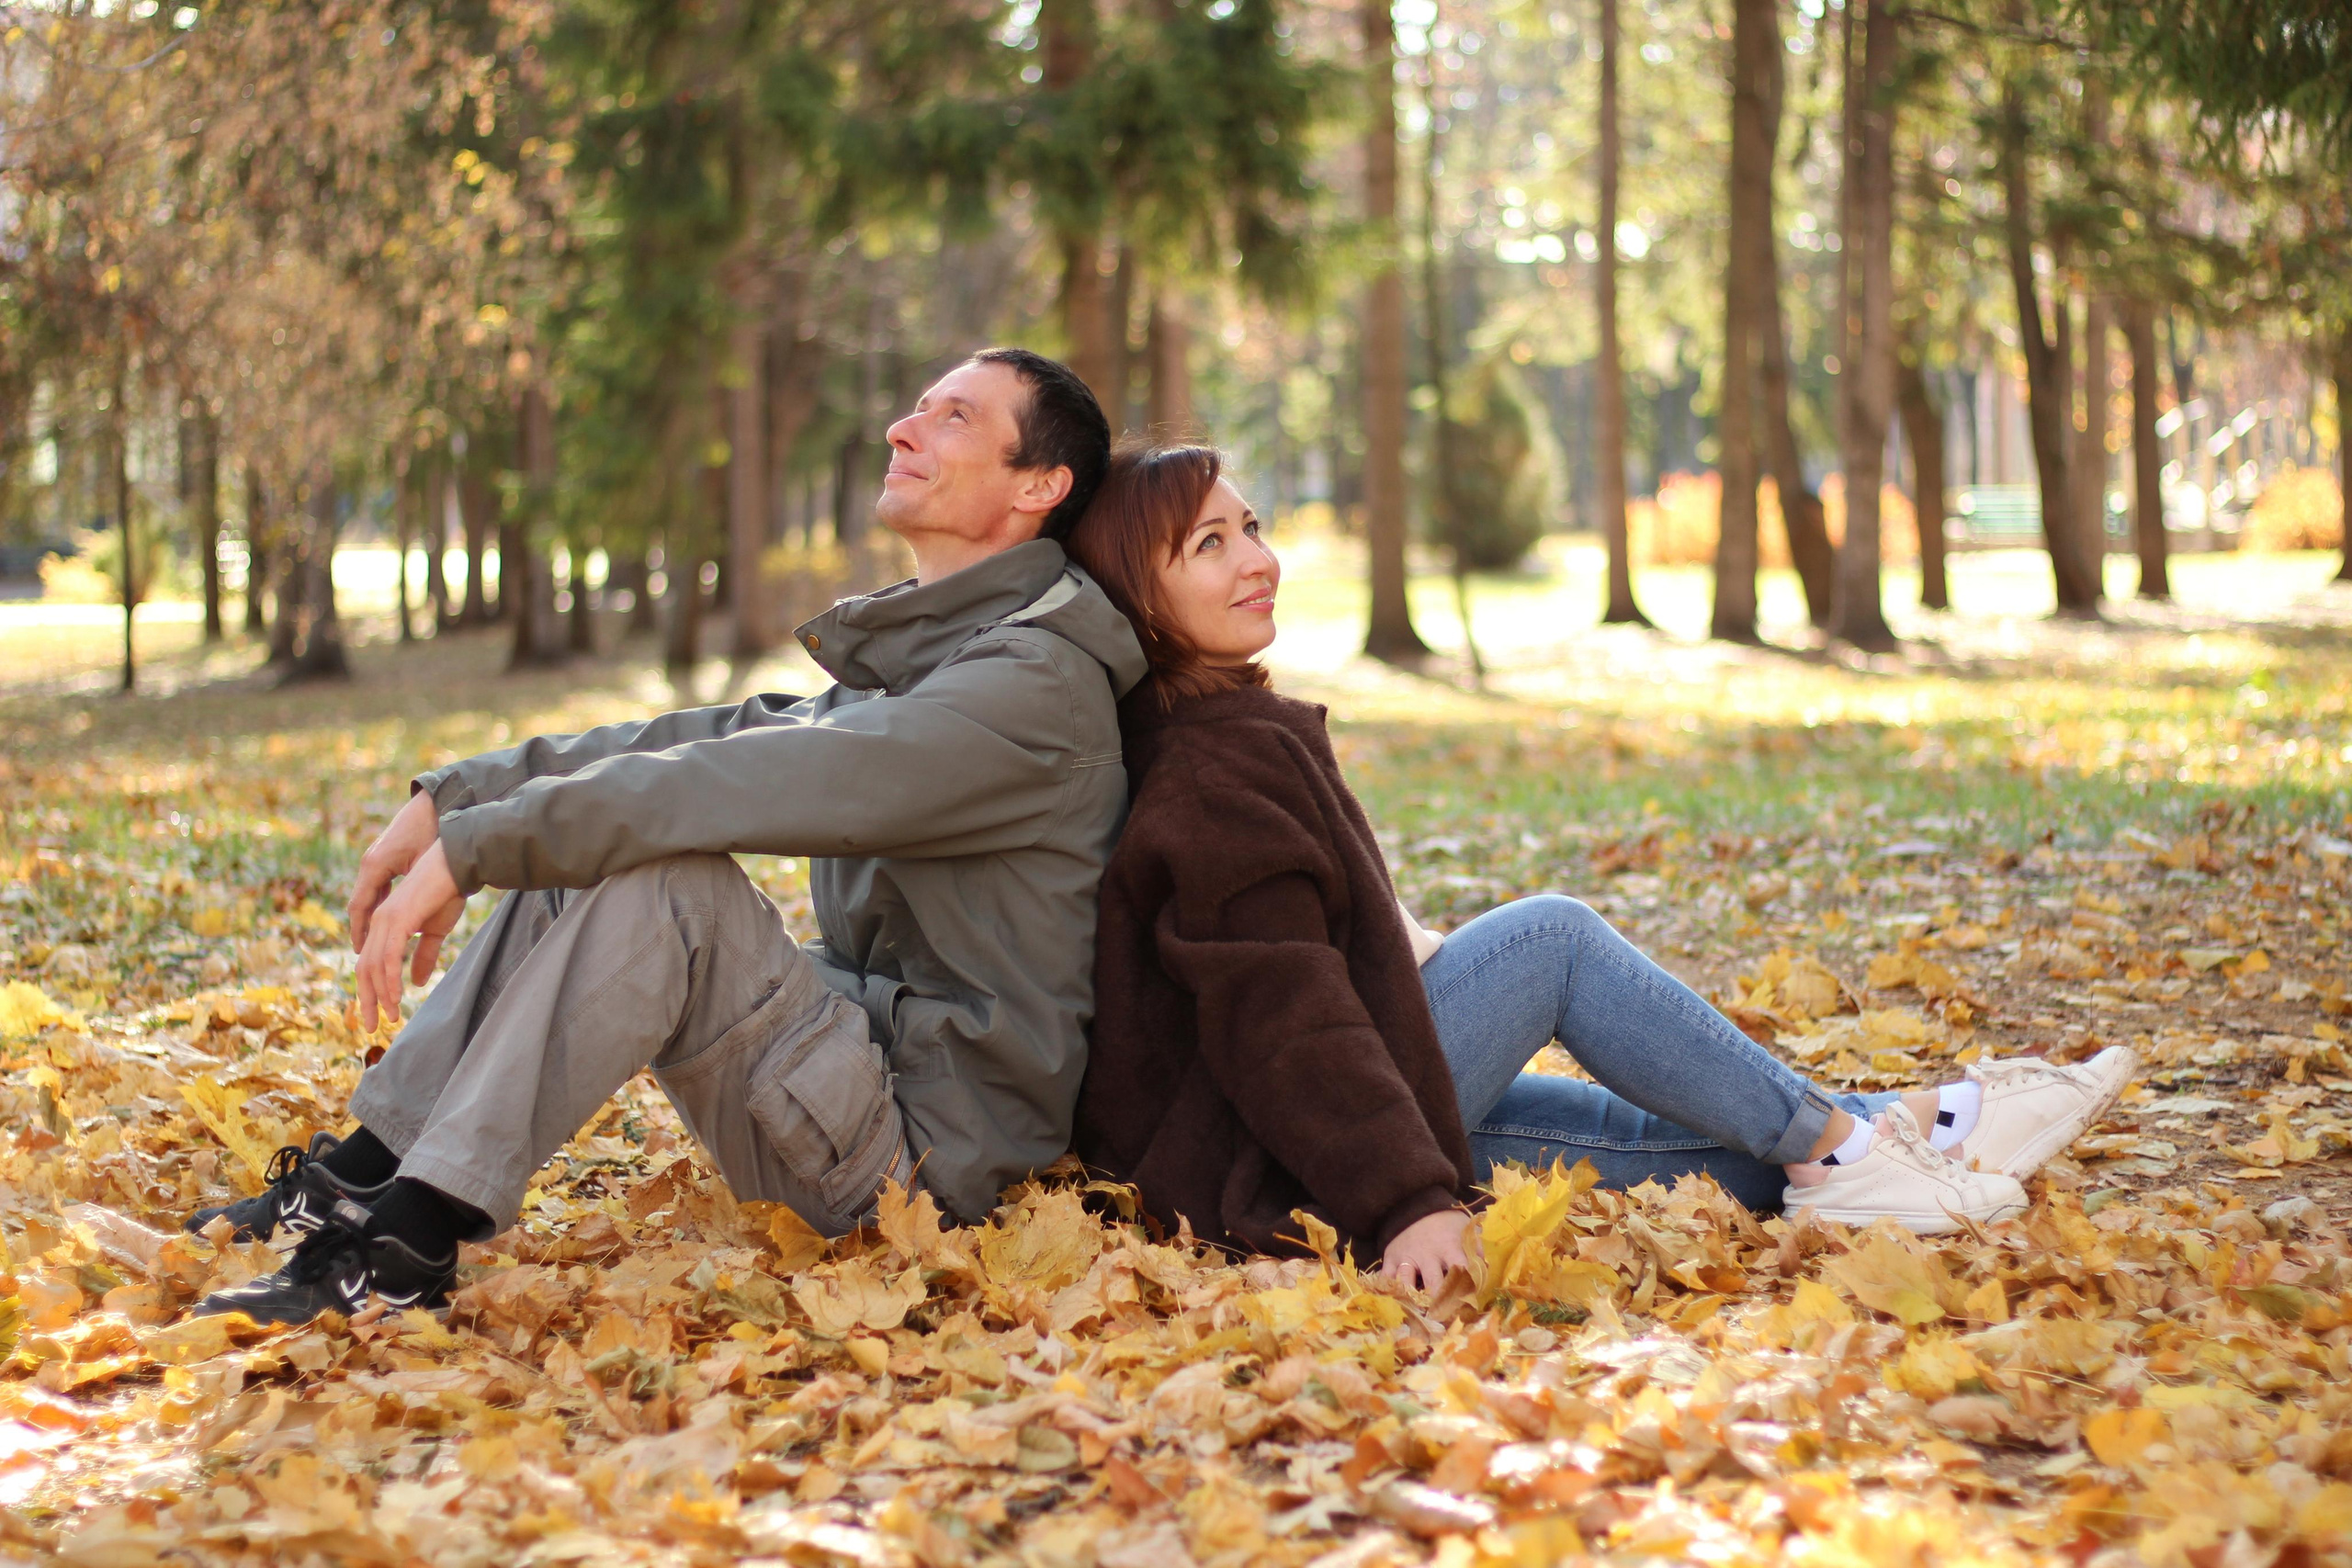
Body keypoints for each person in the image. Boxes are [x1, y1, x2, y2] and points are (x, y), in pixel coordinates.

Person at [190, 350, 1148, 1325]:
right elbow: (714, 737)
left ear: (1038, 485)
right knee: (601, 834)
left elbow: (734, 780)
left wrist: (479, 849)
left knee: (672, 881)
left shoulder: (1028, 687)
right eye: (918, 407)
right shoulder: (948, 654)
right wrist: (458, 799)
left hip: (925, 1177)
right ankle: (359, 1180)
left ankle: (401, 1248)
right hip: (855, 1089)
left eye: (955, 418)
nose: (904, 428)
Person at [1062, 441, 2136, 1288]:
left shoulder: (1216, 734)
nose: (1257, 559)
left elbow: (1321, 958)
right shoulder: (1209, 778)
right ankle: (1867, 1140)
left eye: (1251, 527)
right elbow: (1282, 1022)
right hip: (1269, 1167)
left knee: (1646, 1143)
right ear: (1138, 600)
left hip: (1298, 1138)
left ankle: (1918, 1135)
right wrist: (1405, 1204)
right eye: (1209, 545)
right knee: (1551, 941)